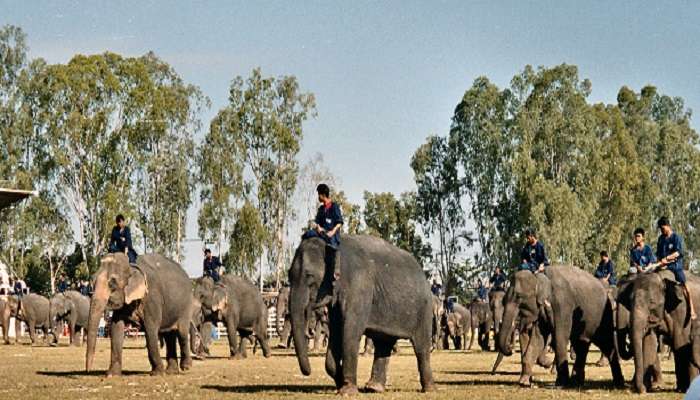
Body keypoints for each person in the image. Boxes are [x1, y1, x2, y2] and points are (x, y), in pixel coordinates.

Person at [302, 184, 343, 307]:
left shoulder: (334, 207)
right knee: (307, 234)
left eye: (318, 194)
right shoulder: (321, 209)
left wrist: (332, 231)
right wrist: (318, 228)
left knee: (333, 248)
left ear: (322, 194)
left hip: (331, 235)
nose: (318, 197)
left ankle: (335, 272)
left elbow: (339, 222)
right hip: (322, 233)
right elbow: (317, 222)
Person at [653, 217, 695, 319]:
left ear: (668, 226)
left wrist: (667, 258)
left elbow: (678, 252)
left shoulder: (676, 237)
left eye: (662, 228)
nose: (661, 231)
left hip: (675, 266)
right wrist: (658, 262)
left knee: (684, 284)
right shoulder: (661, 239)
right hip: (662, 266)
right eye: (660, 229)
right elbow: (658, 254)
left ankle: (691, 307)